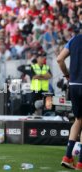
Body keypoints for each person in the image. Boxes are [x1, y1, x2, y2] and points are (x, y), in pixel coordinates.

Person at [58, 34, 82, 170]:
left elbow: (59, 59)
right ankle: (80, 163)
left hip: (73, 85)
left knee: (78, 121)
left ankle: (67, 157)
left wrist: (67, 75)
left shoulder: (74, 39)